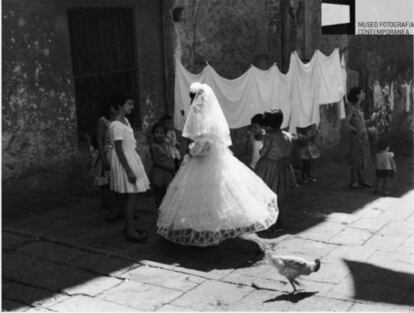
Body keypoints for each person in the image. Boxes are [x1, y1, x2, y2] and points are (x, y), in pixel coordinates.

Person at [156, 83, 279, 247]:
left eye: (194, 100)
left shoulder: (207, 119)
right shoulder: (202, 115)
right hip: (202, 161)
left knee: (212, 195)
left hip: (209, 161)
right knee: (204, 195)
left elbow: (208, 145)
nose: (194, 104)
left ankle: (210, 229)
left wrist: (193, 150)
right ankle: (203, 228)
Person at [108, 91, 150, 242]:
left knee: (132, 195)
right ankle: (130, 231)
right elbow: (119, 149)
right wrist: (129, 170)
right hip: (125, 160)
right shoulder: (116, 125)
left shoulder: (125, 121)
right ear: (120, 106)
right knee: (130, 196)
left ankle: (129, 226)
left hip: (131, 157)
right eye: (129, 104)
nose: (132, 107)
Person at [255, 110, 297, 229]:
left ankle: (269, 222)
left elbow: (262, 153)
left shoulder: (269, 137)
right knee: (280, 197)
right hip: (283, 168)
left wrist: (263, 145)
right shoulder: (288, 135)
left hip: (269, 168)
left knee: (267, 195)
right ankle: (280, 223)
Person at [86, 103, 121, 223]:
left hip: (117, 154)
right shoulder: (103, 120)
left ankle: (119, 210)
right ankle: (112, 211)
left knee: (117, 183)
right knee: (106, 185)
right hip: (106, 154)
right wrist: (104, 157)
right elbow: (100, 140)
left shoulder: (120, 120)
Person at [344, 87, 373, 188]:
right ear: (358, 95)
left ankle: (361, 180)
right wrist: (355, 130)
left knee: (360, 159)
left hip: (362, 137)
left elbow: (361, 122)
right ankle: (354, 182)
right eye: (362, 92)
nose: (364, 93)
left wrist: (370, 120)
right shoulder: (352, 109)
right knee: (355, 159)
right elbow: (346, 123)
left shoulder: (359, 108)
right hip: (356, 137)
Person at [150, 123, 176, 209]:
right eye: (157, 133)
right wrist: (170, 168)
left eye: (161, 133)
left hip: (168, 173)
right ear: (153, 134)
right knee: (159, 194)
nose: (159, 135)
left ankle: (166, 212)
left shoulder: (165, 144)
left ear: (164, 134)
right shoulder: (153, 146)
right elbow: (156, 161)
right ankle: (160, 213)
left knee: (168, 194)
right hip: (159, 173)